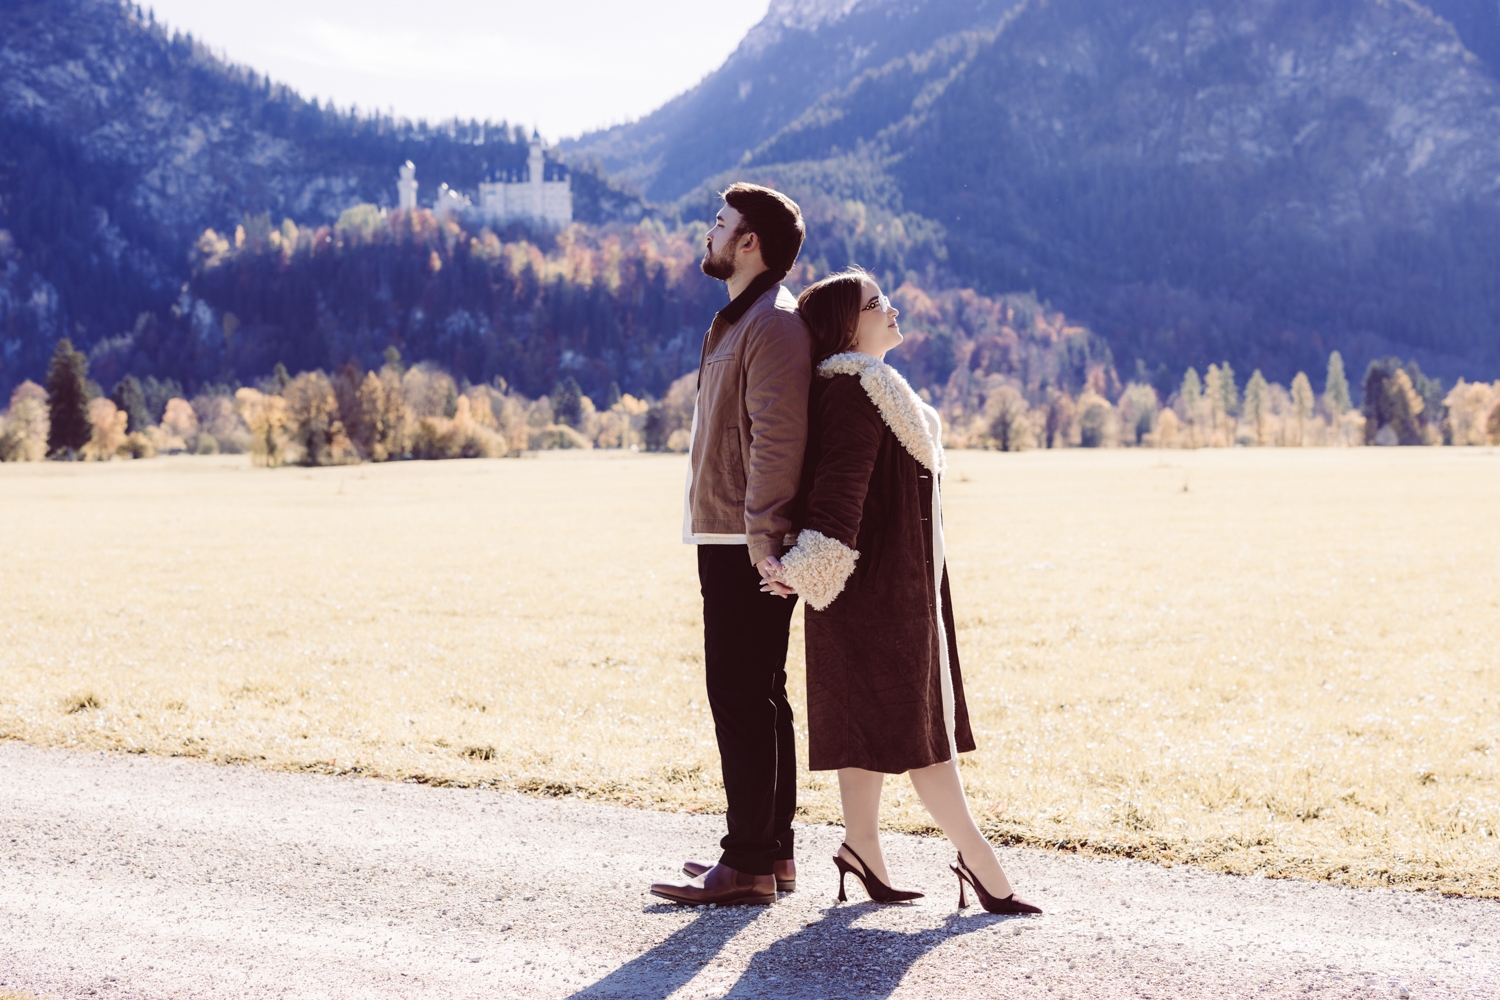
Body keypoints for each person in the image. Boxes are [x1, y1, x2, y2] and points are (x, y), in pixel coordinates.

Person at [771, 267, 1041, 915]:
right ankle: (981, 865)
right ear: (846, 325)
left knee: (877, 727)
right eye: (875, 303)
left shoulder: (876, 389)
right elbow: (838, 491)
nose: (891, 308)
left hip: (891, 592)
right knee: (924, 736)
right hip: (878, 600)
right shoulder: (854, 390)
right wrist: (805, 569)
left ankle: (861, 846)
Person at [648, 184, 812, 907]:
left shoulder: (772, 324)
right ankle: (770, 856)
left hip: (744, 538)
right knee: (759, 694)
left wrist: (762, 538)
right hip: (732, 530)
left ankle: (746, 861)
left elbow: (778, 440)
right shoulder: (743, 319)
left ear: (749, 243)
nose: (708, 233)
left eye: (720, 224)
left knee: (742, 695)